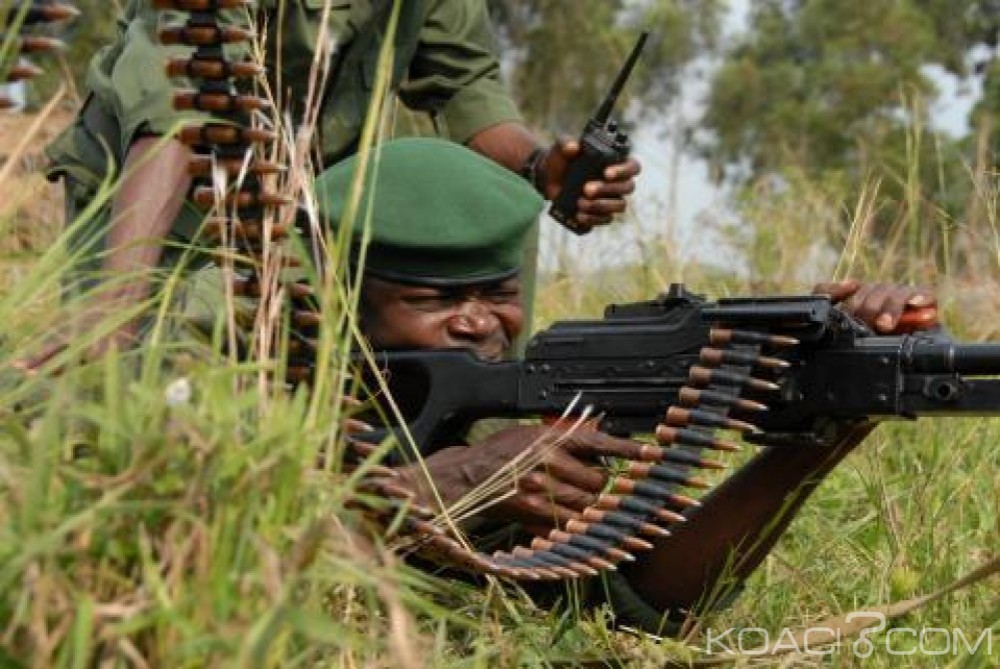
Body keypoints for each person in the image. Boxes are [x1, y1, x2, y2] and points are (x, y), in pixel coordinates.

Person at [313, 137, 939, 635]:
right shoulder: (260, 398)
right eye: (433, 299)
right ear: (341, 301)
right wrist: (450, 484)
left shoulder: (493, 426)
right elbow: (262, 555)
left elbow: (652, 604)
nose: (480, 322)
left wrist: (833, 416)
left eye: (499, 293)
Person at [34, 0, 640, 367]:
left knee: (499, 202)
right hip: (149, 190)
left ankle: (485, 447)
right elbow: (177, 105)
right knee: (124, 377)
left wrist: (539, 168)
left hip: (299, 190)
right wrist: (113, 308)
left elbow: (466, 86)